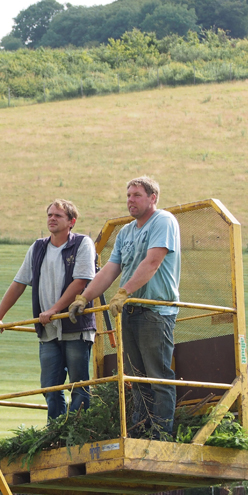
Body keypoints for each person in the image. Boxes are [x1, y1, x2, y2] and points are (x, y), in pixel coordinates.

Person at [68, 176, 181, 438]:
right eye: (128, 195)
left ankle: (162, 433)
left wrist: (123, 292)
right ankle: (139, 431)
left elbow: (152, 262)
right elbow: (109, 269)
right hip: (129, 311)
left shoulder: (163, 221)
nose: (130, 200)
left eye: (137, 195)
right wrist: (85, 297)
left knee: (157, 375)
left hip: (155, 311)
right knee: (135, 376)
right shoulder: (126, 232)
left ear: (153, 198)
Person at [0, 199, 96, 419]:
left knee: (78, 384)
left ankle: (76, 432)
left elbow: (81, 281)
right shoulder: (38, 247)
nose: (52, 219)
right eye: (49, 215)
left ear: (71, 221)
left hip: (75, 326)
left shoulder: (82, 243)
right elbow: (18, 283)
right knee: (49, 386)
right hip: (48, 330)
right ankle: (55, 433)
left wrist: (53, 310)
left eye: (58, 216)